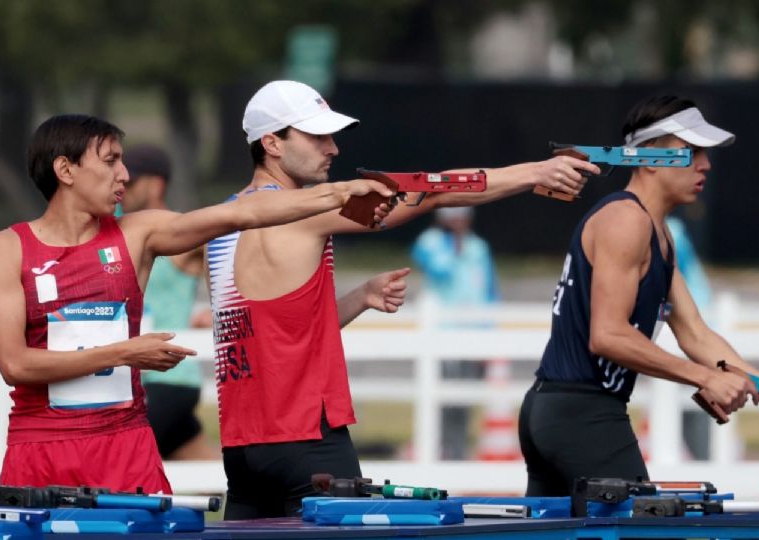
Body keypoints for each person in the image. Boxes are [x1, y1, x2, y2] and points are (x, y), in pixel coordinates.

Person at [209, 79, 599, 519]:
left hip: (243, 451)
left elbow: (279, 333)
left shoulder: (224, 223)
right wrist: (535, 173)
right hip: (307, 443)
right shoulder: (308, 211)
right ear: (271, 143)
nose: (333, 148)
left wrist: (359, 297)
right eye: (317, 136)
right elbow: (433, 193)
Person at [0, 114, 395, 493]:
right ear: (65, 170)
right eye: (110, 161)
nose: (124, 175)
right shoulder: (8, 249)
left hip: (127, 448)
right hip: (40, 448)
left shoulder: (138, 233)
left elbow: (241, 214)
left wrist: (338, 193)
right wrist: (125, 352)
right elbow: (16, 365)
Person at [518, 95, 759, 497]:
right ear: (650, 157)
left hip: (563, 412)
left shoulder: (659, 233)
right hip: (581, 414)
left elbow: (694, 333)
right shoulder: (626, 221)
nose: (705, 164)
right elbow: (608, 335)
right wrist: (706, 377)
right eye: (691, 153)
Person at [120, 144, 219, 461]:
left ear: (156, 184)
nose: (123, 188)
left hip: (169, 378)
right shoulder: (115, 228)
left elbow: (243, 258)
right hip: (132, 374)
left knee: (120, 464)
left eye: (131, 183)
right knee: (215, 474)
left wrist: (221, 312)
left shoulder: (183, 233)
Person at [411, 206, 498, 460]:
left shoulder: (478, 247)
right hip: (442, 334)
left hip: (474, 334)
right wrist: (454, 244)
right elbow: (439, 271)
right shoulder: (429, 242)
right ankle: (439, 451)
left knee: (464, 400)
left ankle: (458, 453)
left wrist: (490, 335)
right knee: (441, 401)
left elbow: (489, 291)